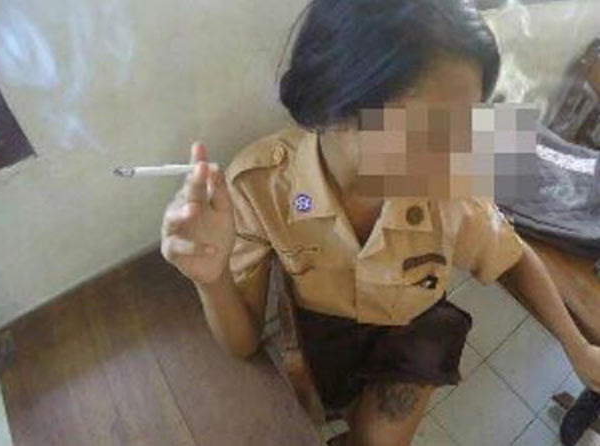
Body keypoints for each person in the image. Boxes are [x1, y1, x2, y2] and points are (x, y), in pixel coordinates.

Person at [160, 1, 600, 445]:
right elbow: (243, 344)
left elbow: (511, 255)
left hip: (411, 327)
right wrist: (211, 280)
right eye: (427, 128)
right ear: (336, 105)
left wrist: (577, 346)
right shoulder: (260, 185)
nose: (455, 152)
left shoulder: (453, 176)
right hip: (323, 329)